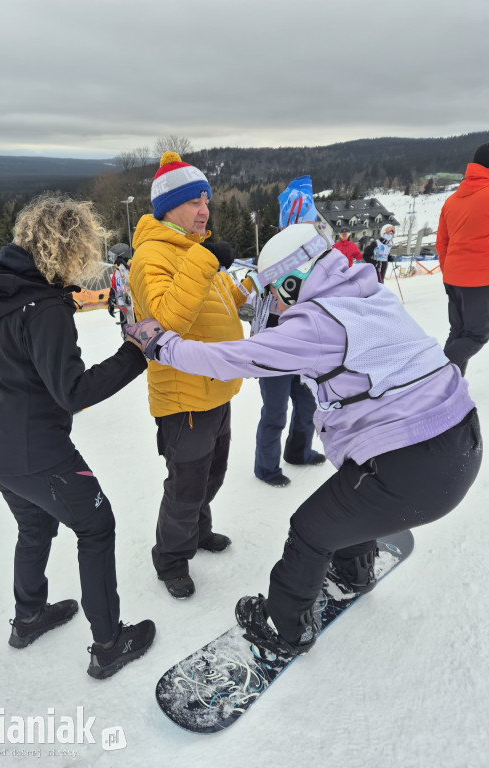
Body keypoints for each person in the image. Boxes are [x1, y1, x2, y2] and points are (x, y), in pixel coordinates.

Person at [126, 222, 481, 657]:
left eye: (274, 289)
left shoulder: (318, 324)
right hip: (462, 442)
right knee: (352, 495)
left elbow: (230, 359)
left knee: (310, 531)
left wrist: (163, 346)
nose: (270, 301)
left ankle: (284, 627)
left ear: (294, 282)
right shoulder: (369, 294)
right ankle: (354, 571)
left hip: (411, 470)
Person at [0, 194, 155, 679]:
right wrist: (135, 353)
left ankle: (29, 616)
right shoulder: (44, 307)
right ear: (67, 248)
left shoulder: (2, 292)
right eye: (82, 250)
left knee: (35, 528)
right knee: (96, 527)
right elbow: (72, 390)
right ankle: (110, 643)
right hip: (37, 452)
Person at [128, 151, 251, 599]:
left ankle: (199, 533)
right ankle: (171, 559)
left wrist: (253, 287)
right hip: (183, 398)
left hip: (216, 390)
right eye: (195, 202)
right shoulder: (152, 257)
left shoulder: (194, 251)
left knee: (212, 475)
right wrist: (205, 264)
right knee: (186, 485)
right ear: (168, 210)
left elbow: (217, 305)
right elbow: (166, 319)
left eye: (207, 201)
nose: (205, 211)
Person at [251, 294, 325, 488]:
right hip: (272, 352)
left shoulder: (309, 273)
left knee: (308, 405)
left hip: (302, 351)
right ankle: (266, 468)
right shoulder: (268, 278)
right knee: (275, 413)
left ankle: (298, 452)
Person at [436, 142, 489, 375]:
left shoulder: (453, 199)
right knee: (477, 333)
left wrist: (450, 272)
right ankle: (433, 374)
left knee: (459, 332)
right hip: (479, 279)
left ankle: (450, 384)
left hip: (454, 276)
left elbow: (441, 243)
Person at [107, 243, 132, 330]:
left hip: (134, 311)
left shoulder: (133, 267)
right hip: (123, 310)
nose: (113, 262)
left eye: (114, 259)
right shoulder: (116, 272)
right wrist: (111, 299)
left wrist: (126, 269)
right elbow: (114, 287)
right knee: (126, 335)